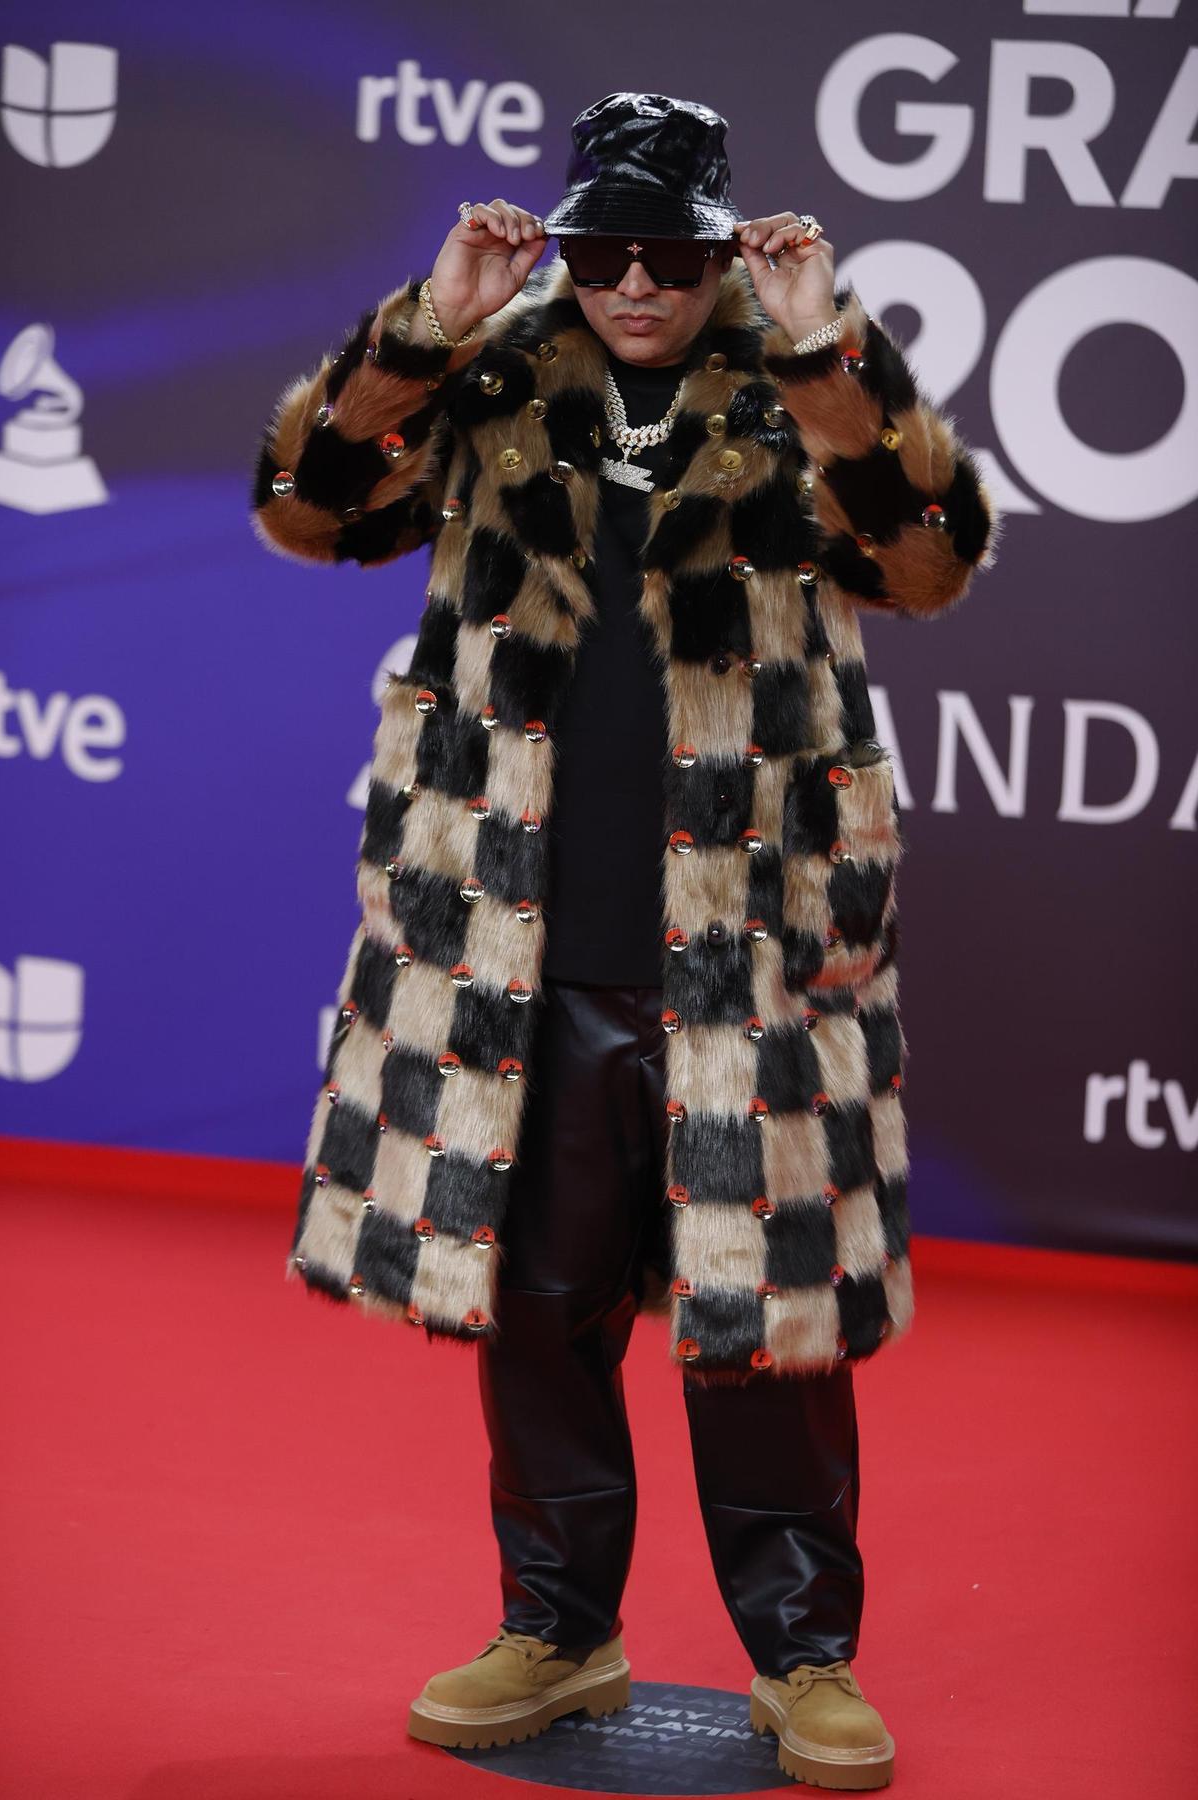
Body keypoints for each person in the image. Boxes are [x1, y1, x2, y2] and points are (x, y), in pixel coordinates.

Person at [250, 91, 999, 1791]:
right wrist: (425, 328)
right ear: (570, 247)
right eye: (605, 249)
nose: (638, 282)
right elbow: (313, 505)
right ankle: (560, 1630)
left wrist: (830, 356)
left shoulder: (787, 394)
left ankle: (806, 1657)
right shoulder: (497, 379)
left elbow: (928, 557)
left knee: (763, 1315)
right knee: (537, 1306)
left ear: (725, 245)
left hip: (746, 944)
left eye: (671, 250)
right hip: (516, 927)